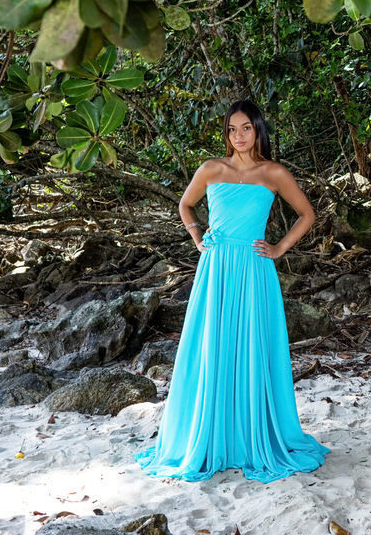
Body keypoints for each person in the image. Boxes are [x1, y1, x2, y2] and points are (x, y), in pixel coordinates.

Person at [133, 99, 330, 482]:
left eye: (246, 128)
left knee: (252, 347)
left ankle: (247, 437)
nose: (238, 136)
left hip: (254, 269)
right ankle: (212, 435)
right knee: (214, 346)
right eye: (231, 129)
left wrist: (279, 248)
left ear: (258, 130)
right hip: (217, 268)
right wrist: (197, 238)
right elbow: (186, 205)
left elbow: (308, 215)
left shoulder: (273, 172)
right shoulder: (212, 168)